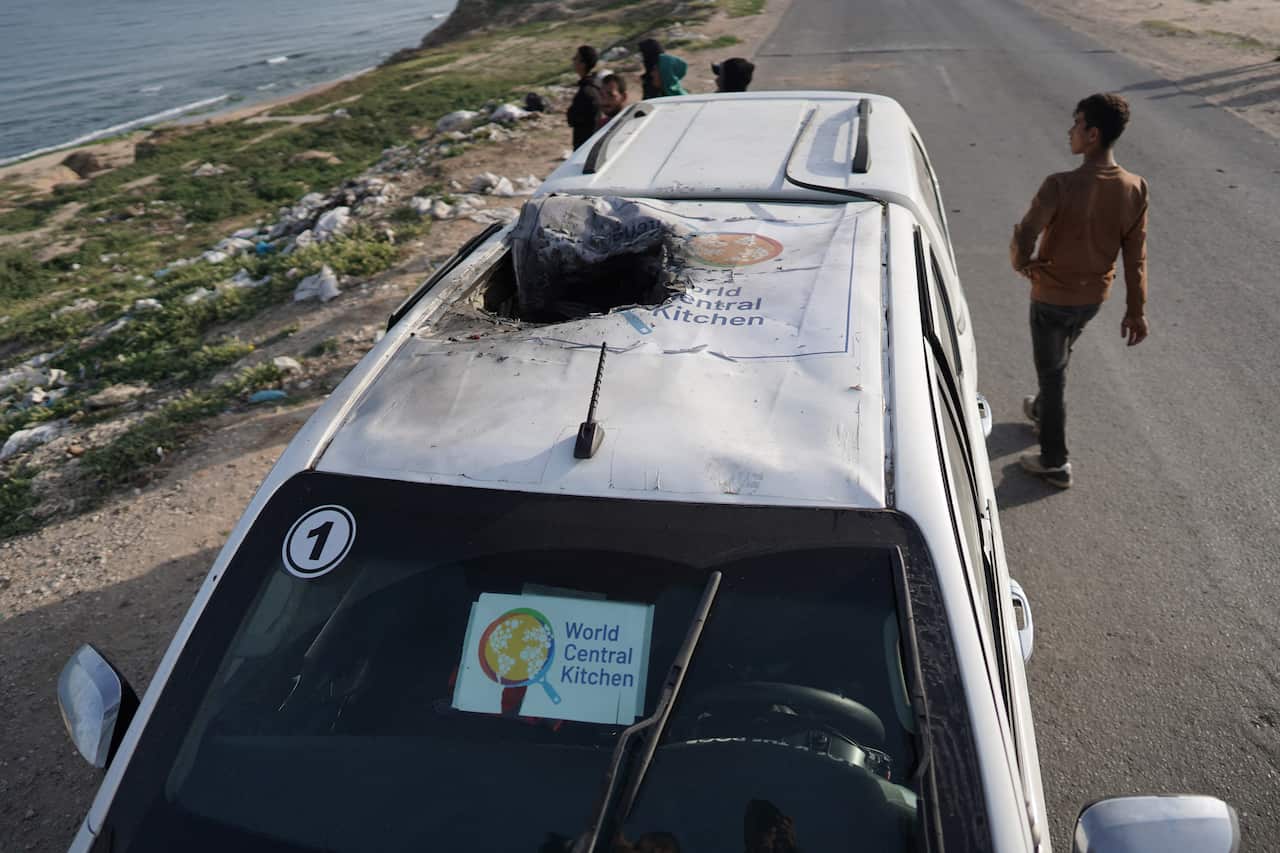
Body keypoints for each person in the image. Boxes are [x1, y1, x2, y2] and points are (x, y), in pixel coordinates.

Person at [1010, 93, 1149, 489]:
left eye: (1076, 124)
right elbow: (1135, 256)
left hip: (1051, 298)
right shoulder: (1135, 187)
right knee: (1059, 357)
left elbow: (1026, 232)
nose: (1069, 130)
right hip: (1092, 300)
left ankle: (1055, 462)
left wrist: (1021, 263)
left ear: (1092, 134)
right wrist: (1136, 310)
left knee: (1053, 373)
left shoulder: (1060, 185)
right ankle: (1042, 410)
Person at [567, 45, 603, 149]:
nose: (573, 60)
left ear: (583, 64)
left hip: (585, 145)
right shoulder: (595, 84)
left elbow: (573, 119)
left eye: (576, 58)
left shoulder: (587, 92)